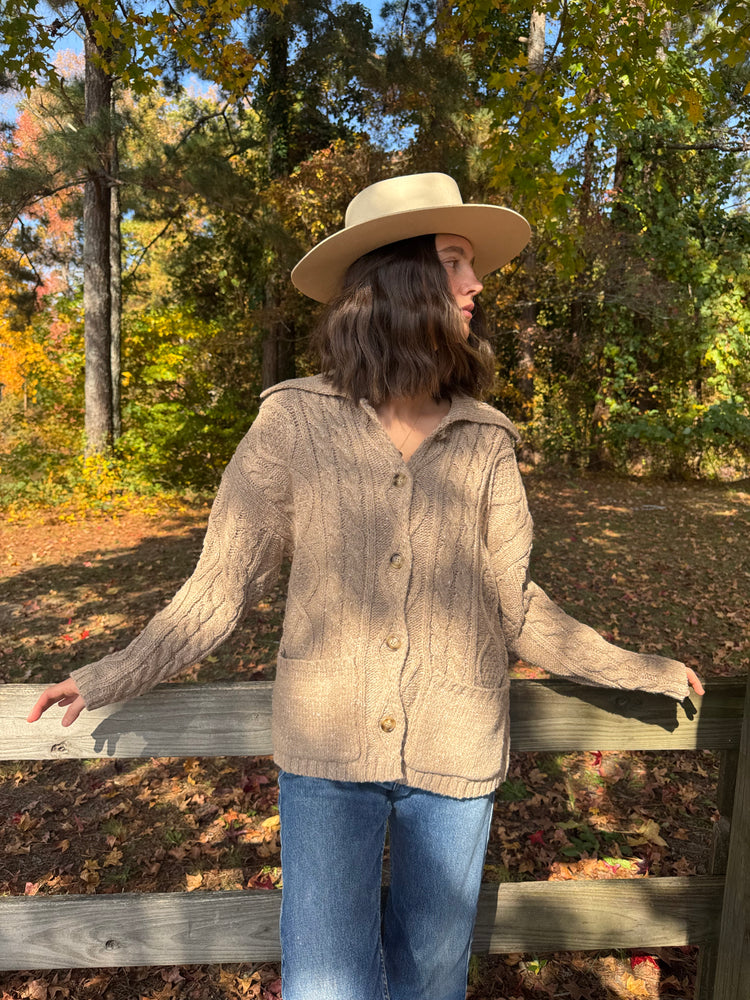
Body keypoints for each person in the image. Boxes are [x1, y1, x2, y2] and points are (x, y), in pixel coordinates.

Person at [28, 172, 704, 1000]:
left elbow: (516, 605)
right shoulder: (291, 423)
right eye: (455, 262)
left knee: (430, 982)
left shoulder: (487, 439)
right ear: (401, 277)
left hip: (456, 756)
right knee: (326, 986)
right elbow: (218, 588)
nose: (476, 285)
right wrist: (104, 676)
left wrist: (641, 668)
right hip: (325, 758)